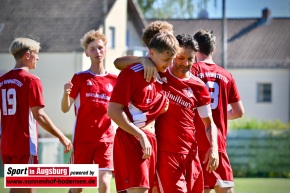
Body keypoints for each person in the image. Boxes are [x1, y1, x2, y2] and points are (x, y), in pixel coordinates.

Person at [114, 34, 219, 193]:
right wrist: (142, 60)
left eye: (190, 59)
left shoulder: (199, 86)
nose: (185, 63)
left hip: (191, 154)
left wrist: (214, 148)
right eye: (181, 57)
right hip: (165, 154)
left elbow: (209, 123)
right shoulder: (159, 73)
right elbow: (118, 63)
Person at [107, 32, 179, 193]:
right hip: (132, 139)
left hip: (149, 142)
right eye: (166, 59)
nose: (169, 64)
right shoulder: (132, 73)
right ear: (151, 52)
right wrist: (141, 135)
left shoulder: (161, 75)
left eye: (171, 59)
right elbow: (113, 111)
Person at [0, 37, 72, 193]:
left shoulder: (2, 81)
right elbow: (39, 115)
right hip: (24, 145)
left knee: (29, 189)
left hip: (6, 145)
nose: (38, 58)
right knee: (19, 188)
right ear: (27, 55)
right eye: (36, 54)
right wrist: (61, 136)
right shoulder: (31, 80)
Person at [61, 30, 117, 193]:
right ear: (86, 53)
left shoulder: (115, 80)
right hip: (83, 139)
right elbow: (65, 108)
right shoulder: (79, 78)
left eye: (100, 48)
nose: (97, 52)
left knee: (105, 184)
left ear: (105, 50)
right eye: (92, 49)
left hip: (106, 139)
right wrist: (65, 94)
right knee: (77, 187)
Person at [191, 29, 245, 193]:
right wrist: (220, 115)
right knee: (226, 189)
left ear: (194, 49)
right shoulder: (226, 75)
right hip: (218, 145)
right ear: (213, 50)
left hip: (196, 144)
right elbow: (238, 112)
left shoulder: (191, 71)